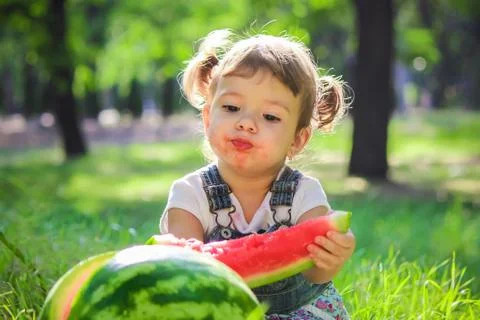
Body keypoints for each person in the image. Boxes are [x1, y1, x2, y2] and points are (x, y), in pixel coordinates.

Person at [159, 29, 356, 320]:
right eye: (231, 107)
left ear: (297, 140)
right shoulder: (190, 194)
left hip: (298, 312)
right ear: (208, 117)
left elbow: (316, 274)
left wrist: (332, 254)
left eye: (270, 117)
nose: (247, 123)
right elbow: (187, 273)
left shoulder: (305, 194)